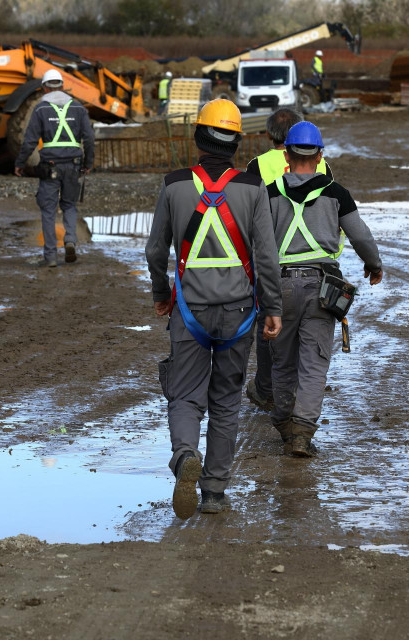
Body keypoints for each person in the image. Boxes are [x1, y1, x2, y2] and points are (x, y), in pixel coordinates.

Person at [145, 99, 282, 518]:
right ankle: (214, 492)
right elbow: (266, 257)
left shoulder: (174, 185)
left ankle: (185, 455)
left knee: (185, 395)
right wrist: (272, 306)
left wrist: (160, 293)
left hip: (189, 311)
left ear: (197, 137)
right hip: (240, 314)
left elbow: (155, 251)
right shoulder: (252, 189)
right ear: (237, 143)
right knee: (226, 400)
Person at [266, 121, 382, 457]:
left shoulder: (269, 193)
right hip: (323, 289)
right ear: (319, 156)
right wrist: (374, 266)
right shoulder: (337, 193)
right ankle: (302, 433)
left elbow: (255, 240)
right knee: (314, 362)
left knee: (282, 362)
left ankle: (285, 424)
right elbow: (360, 236)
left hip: (279, 285)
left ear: (286, 154)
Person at [245, 108, 332, 411]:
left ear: (269, 135)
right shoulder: (322, 167)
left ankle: (267, 388)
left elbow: (251, 213)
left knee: (268, 322)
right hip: (317, 262)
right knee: (311, 334)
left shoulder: (256, 166)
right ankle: (298, 395)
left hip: (273, 261)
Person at [15, 68, 94, 268]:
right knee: (69, 205)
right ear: (62, 86)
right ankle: (69, 241)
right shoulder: (78, 108)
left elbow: (29, 140)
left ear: (44, 88)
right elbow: (89, 138)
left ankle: (50, 257)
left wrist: (20, 163)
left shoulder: (41, 109)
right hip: (74, 165)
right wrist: (88, 163)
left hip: (50, 166)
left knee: (49, 210)